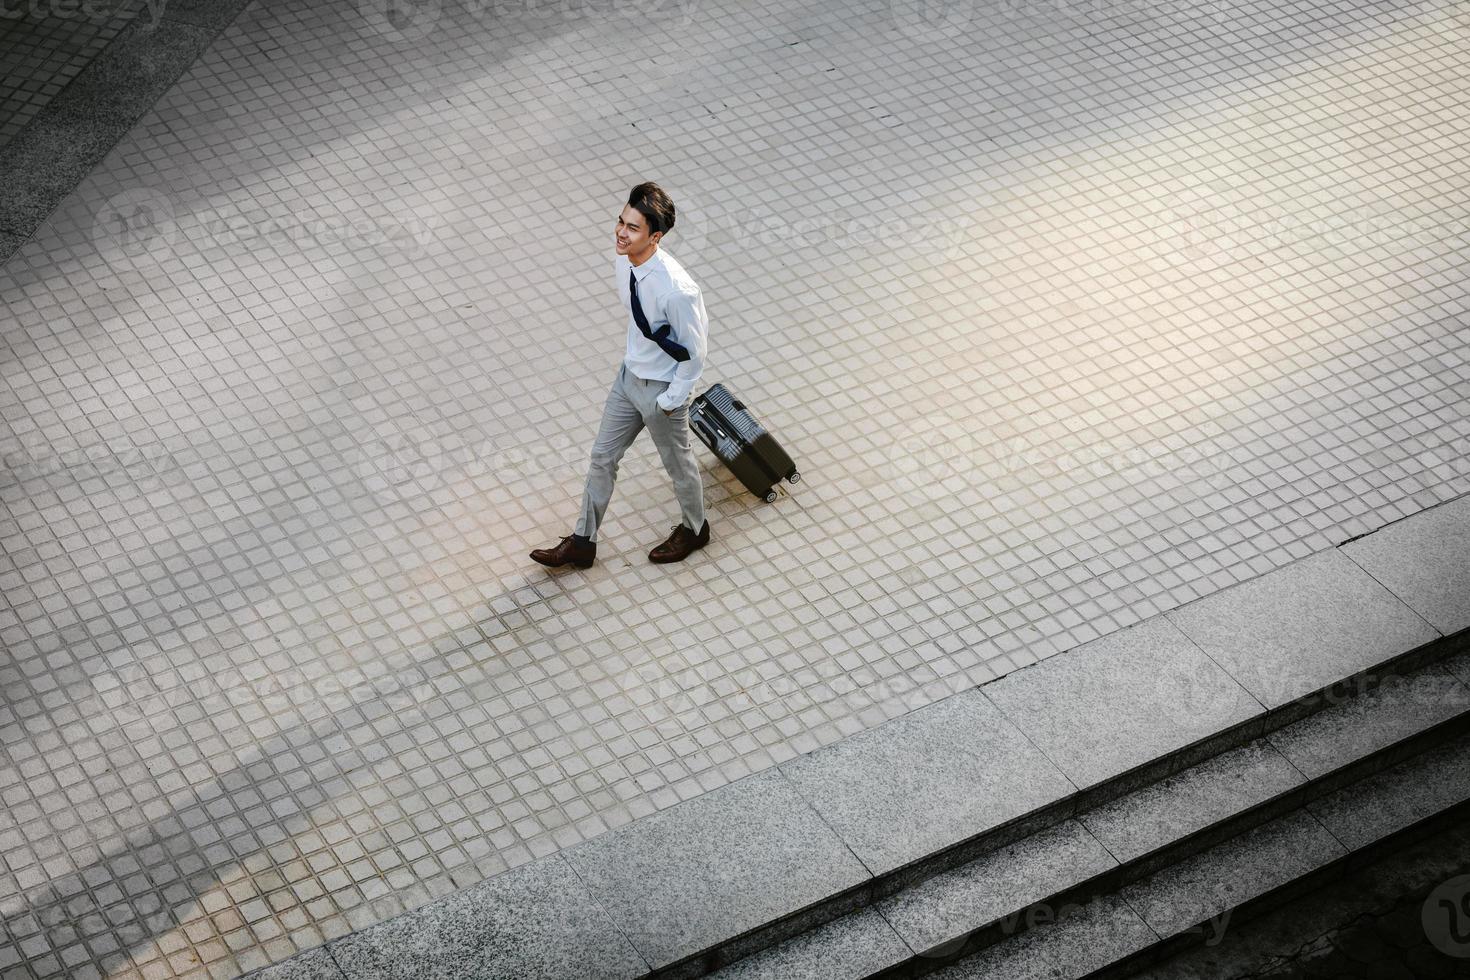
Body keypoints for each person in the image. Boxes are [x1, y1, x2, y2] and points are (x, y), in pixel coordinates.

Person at [531, 182, 712, 569]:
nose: (620, 232)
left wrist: (670, 400)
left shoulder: (678, 290)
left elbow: (695, 353)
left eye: (632, 228)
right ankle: (583, 542)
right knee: (602, 458)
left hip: (662, 391)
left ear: (656, 236)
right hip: (628, 379)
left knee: (678, 465)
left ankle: (696, 529)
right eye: (621, 221)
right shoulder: (624, 258)